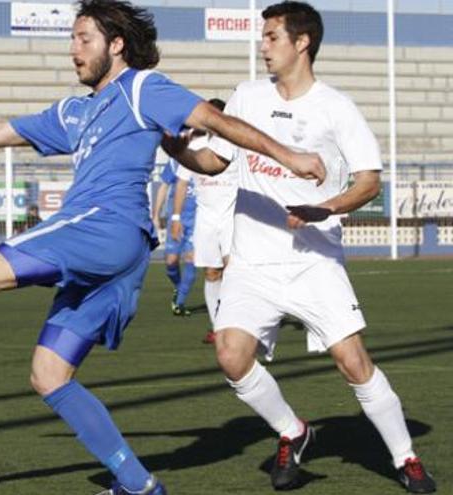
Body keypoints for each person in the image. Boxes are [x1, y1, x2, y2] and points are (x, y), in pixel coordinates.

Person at [0, 1, 324, 493]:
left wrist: (290, 157)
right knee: (49, 375)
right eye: (72, 40)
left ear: (116, 44)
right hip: (122, 257)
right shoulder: (74, 112)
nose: (74, 50)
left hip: (100, 227)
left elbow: (216, 121)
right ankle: (139, 484)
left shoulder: (143, 88)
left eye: (84, 38)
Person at [161, 3, 436, 492]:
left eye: (271, 37)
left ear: (301, 42)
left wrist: (325, 208)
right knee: (229, 354)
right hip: (252, 261)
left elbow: (368, 181)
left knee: (353, 361)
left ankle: (405, 456)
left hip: (313, 259)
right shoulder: (245, 97)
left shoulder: (336, 107)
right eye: (262, 38)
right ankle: (293, 431)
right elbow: (213, 162)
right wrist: (175, 148)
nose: (262, 46)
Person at [170, 98, 236, 342]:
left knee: (234, 271)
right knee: (211, 272)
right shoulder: (195, 146)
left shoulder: (236, 145)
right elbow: (182, 183)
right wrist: (176, 217)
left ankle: (236, 324)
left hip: (232, 215)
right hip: (206, 217)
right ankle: (218, 327)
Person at [150, 158, 197, 317]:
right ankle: (179, 286)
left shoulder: (206, 157)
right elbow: (164, 186)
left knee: (191, 258)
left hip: (198, 218)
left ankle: (179, 303)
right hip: (176, 218)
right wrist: (156, 214)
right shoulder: (176, 161)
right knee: (171, 261)